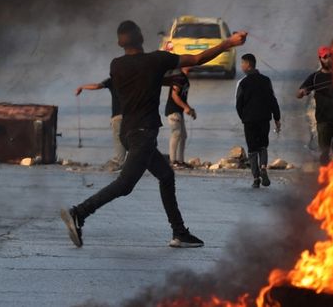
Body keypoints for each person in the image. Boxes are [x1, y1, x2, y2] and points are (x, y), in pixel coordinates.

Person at [61, 20, 247, 248]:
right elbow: (198, 59)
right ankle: (79, 212)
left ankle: (179, 232)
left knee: (167, 176)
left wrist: (166, 80)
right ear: (140, 36)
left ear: (120, 42)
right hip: (143, 133)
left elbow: (138, 83)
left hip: (127, 132)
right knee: (125, 184)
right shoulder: (157, 59)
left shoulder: (116, 65)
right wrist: (228, 42)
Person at [297, 45, 333, 165]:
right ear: (320, 59)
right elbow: (299, 94)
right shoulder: (315, 77)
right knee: (324, 154)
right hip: (323, 122)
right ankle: (325, 176)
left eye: (331, 56)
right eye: (325, 57)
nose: (328, 59)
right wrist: (302, 92)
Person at [235, 54, 281, 188]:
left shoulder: (243, 83)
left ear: (248, 65)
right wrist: (277, 118)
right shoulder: (266, 80)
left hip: (249, 120)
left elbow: (238, 104)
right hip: (264, 118)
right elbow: (273, 100)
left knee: (252, 149)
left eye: (242, 63)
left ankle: (256, 178)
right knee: (263, 145)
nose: (241, 66)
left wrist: (243, 117)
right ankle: (263, 168)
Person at [75, 78, 126, 169]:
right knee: (131, 138)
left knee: (119, 139)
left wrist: (82, 87)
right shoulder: (133, 78)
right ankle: (132, 161)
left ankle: (120, 163)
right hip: (133, 115)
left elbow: (96, 86)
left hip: (118, 116)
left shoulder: (113, 79)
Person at [164, 67, 195, 169]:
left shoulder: (184, 78)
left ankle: (180, 161)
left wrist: (189, 109)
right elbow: (174, 96)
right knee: (176, 134)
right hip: (173, 111)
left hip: (179, 112)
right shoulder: (179, 78)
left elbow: (182, 97)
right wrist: (186, 107)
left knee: (183, 136)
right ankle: (173, 161)